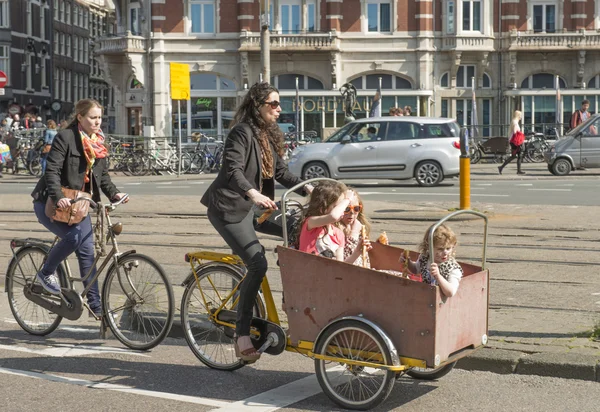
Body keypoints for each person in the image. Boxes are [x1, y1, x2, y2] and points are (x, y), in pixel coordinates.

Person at [200, 82, 312, 362]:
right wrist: (253, 193)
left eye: (278, 103)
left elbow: (283, 174)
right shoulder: (242, 132)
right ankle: (241, 334)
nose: (278, 109)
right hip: (230, 208)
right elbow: (232, 169)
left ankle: (292, 304)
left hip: (256, 207)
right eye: (273, 104)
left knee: (299, 231)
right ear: (257, 106)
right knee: (257, 263)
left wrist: (311, 188)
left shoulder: (268, 135)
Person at [30, 99, 129, 318]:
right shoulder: (65, 137)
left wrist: (115, 193)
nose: (97, 122)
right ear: (80, 118)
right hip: (50, 204)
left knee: (87, 254)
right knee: (74, 239)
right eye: (92, 118)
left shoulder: (99, 143)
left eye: (100, 118)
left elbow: (102, 176)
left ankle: (97, 308)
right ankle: (45, 273)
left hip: (79, 206)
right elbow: (52, 171)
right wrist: (58, 197)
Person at [298, 182, 367, 263]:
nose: (342, 210)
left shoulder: (338, 234)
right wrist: (347, 199)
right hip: (308, 272)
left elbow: (340, 266)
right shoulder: (311, 223)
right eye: (339, 207)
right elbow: (333, 216)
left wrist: (357, 252)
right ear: (322, 208)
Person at [400, 224, 463, 297]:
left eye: (448, 248)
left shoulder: (452, 268)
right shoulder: (425, 258)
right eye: (440, 249)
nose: (445, 252)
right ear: (429, 247)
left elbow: (450, 292)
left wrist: (438, 276)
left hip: (442, 304)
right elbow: (416, 269)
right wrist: (408, 262)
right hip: (426, 297)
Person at [338, 189, 372, 267]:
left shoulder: (359, 226)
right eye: (347, 209)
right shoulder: (336, 229)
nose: (352, 212)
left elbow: (364, 257)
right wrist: (354, 234)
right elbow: (344, 262)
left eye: (356, 208)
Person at [498, 110, 525, 175]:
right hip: (515, 142)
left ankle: (502, 167)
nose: (521, 117)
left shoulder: (514, 121)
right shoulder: (515, 122)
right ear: (518, 115)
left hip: (513, 141)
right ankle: (502, 167)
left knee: (517, 156)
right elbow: (515, 132)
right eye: (520, 115)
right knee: (517, 156)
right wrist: (520, 134)